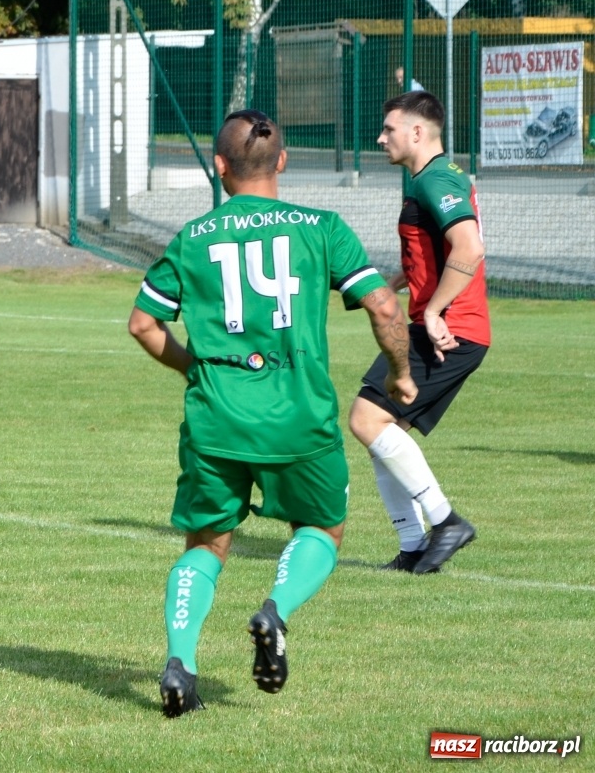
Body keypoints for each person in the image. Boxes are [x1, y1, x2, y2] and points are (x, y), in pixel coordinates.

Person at [127, 110, 414, 718]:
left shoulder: (195, 237)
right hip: (300, 419)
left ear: (220, 168)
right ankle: (276, 611)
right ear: (282, 161)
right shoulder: (321, 229)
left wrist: (191, 367)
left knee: (206, 543)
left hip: (217, 418)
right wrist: (400, 373)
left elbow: (143, 324)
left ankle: (181, 662)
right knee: (321, 529)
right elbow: (385, 306)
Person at [348, 91, 487, 574]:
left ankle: (446, 522)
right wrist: (393, 284)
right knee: (381, 432)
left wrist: (434, 311)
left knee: (367, 420)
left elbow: (468, 247)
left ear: (416, 133)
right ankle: (412, 547)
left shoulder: (436, 179)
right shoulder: (427, 181)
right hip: (442, 323)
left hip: (453, 329)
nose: (380, 137)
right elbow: (436, 252)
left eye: (388, 129)